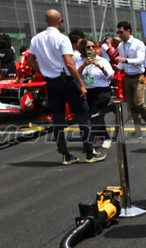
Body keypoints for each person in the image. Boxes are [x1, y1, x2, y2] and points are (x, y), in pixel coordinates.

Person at [27, 9, 102, 165]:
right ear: (59, 21)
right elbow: (69, 63)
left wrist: (44, 71)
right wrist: (81, 85)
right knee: (83, 116)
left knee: (58, 120)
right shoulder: (62, 39)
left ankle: (65, 155)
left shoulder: (36, 39)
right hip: (66, 81)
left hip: (51, 83)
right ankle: (89, 152)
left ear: (46, 20)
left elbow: (30, 61)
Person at [115, 21, 146, 138]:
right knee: (131, 104)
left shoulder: (138, 44)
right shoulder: (121, 46)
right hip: (127, 76)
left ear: (128, 31)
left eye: (121, 32)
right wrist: (116, 68)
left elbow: (140, 60)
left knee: (138, 102)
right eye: (118, 32)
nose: (120, 34)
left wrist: (125, 61)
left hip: (138, 77)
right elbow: (122, 64)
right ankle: (138, 130)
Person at [78, 37, 115, 149]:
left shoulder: (102, 61)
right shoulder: (80, 62)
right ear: (83, 49)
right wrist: (83, 65)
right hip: (87, 91)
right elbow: (75, 74)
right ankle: (105, 137)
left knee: (94, 115)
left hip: (101, 91)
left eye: (92, 47)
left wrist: (99, 66)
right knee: (97, 115)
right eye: (88, 47)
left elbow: (110, 74)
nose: (90, 49)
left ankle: (90, 139)